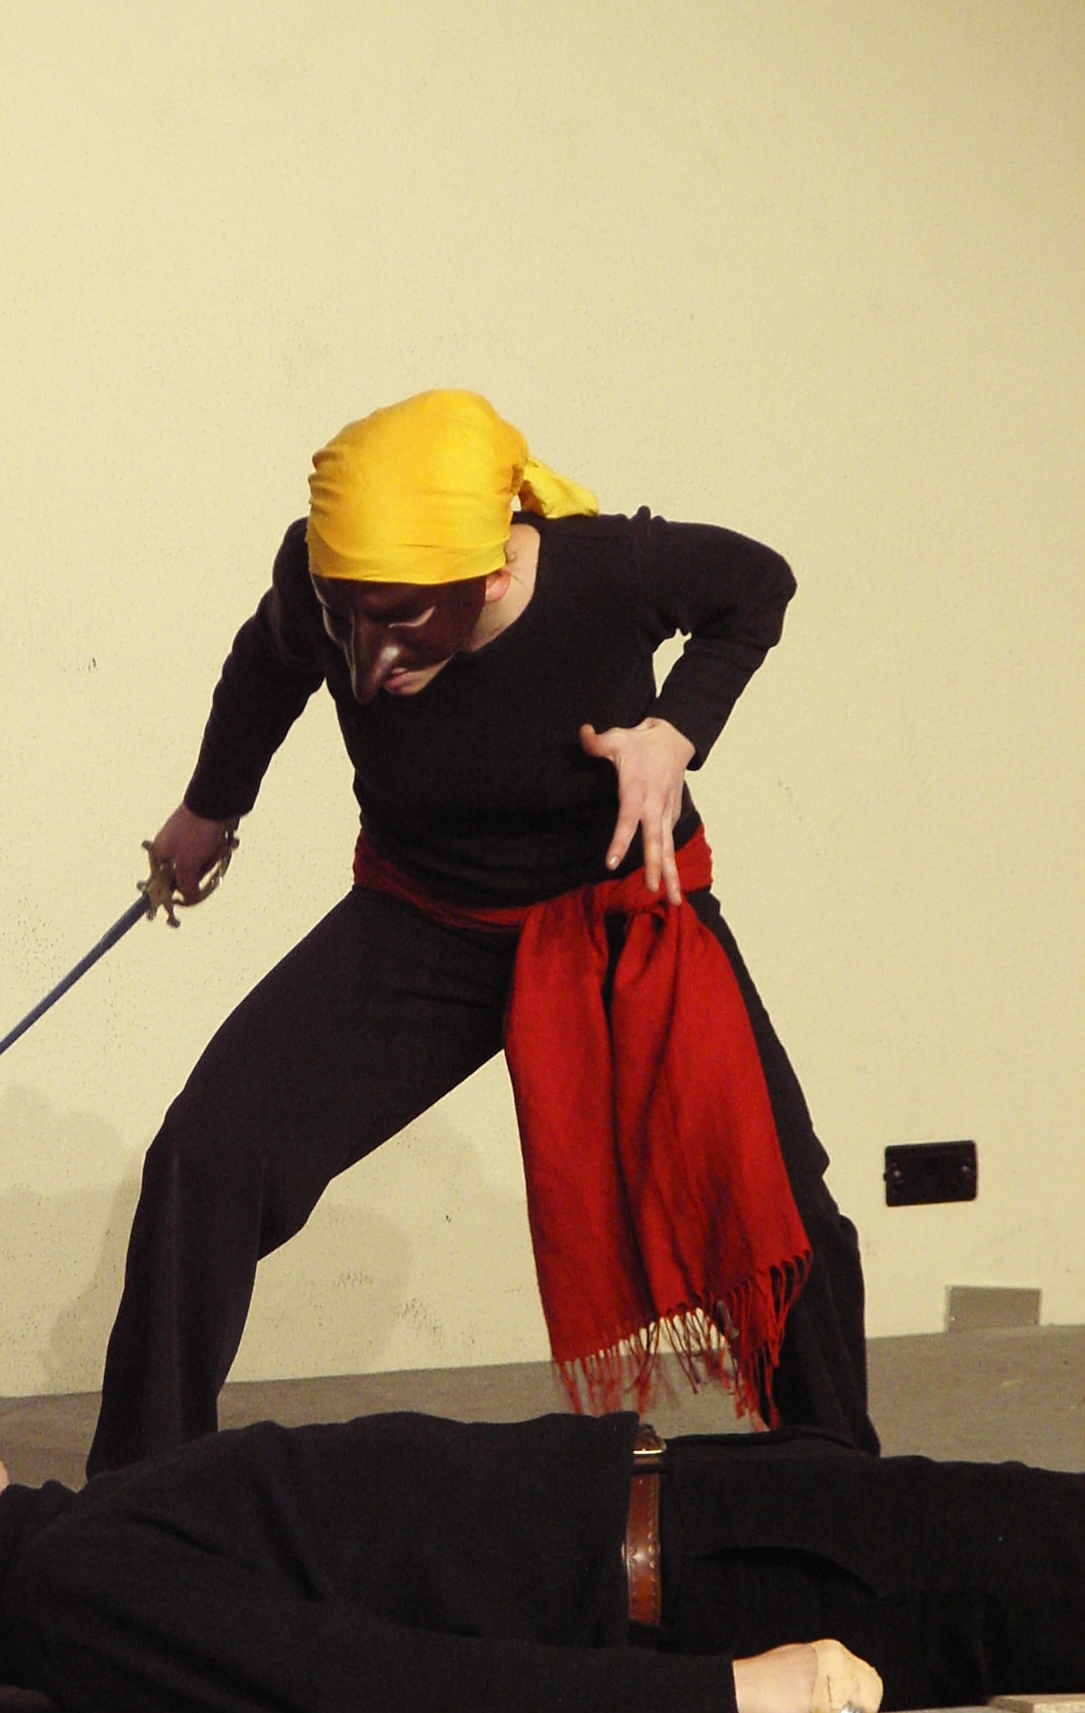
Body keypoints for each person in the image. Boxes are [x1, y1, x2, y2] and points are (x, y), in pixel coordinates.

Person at [89, 390, 876, 1476]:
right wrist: (210, 807)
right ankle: (140, 1495)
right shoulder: (318, 579)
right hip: (424, 919)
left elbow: (758, 584)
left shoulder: (604, 574)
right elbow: (269, 663)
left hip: (614, 921)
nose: (369, 661)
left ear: (493, 574)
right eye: (346, 617)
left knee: (779, 1205)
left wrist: (674, 730)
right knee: (207, 1152)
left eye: (402, 620)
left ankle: (844, 1492)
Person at [0, 1410, 1085, 1713]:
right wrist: (735, 1694)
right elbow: (380, 1687)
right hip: (731, 1569)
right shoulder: (76, 1592)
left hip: (724, 1523)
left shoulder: (68, 1579)